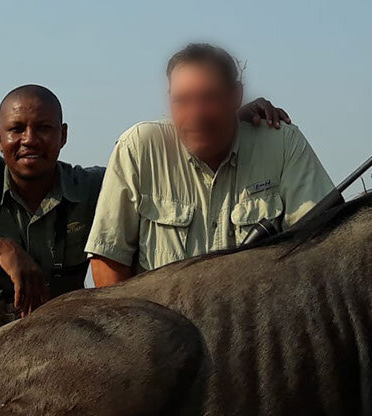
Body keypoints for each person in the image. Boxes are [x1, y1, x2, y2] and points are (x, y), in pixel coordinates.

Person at [0, 84, 292, 416]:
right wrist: (1, 248)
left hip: (53, 342)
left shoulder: (94, 186)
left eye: (44, 128)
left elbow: (167, 161)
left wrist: (221, 118)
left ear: (63, 136)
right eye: (17, 129)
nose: (30, 139)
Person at [86, 43, 334, 285]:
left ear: (236, 95)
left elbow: (324, 244)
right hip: (160, 323)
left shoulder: (281, 143)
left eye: (209, 98)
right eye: (182, 100)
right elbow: (108, 260)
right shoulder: (138, 148)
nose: (196, 115)